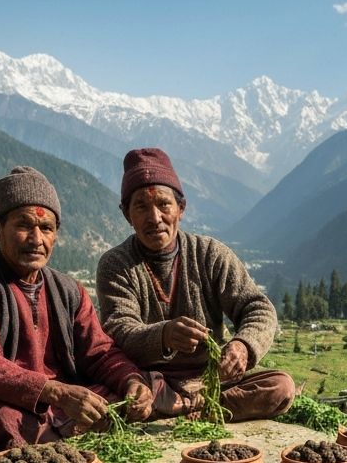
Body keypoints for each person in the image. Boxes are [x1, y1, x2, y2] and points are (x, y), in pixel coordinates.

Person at [0, 166, 153, 450]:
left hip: (60, 409)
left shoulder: (68, 291)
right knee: (0, 417)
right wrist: (58, 393)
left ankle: (61, 437)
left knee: (120, 398)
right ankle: (67, 441)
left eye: (46, 228)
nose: (36, 239)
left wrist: (131, 381)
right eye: (24, 225)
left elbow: (100, 352)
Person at [96, 148, 294, 420]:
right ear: (127, 214)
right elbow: (119, 329)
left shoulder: (210, 254)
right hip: (152, 382)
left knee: (280, 387)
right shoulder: (115, 264)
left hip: (211, 380)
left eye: (164, 204)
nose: (155, 218)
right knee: (112, 397)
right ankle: (201, 408)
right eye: (141, 206)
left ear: (181, 208)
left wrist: (243, 346)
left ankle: (197, 406)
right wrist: (163, 335)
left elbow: (257, 308)